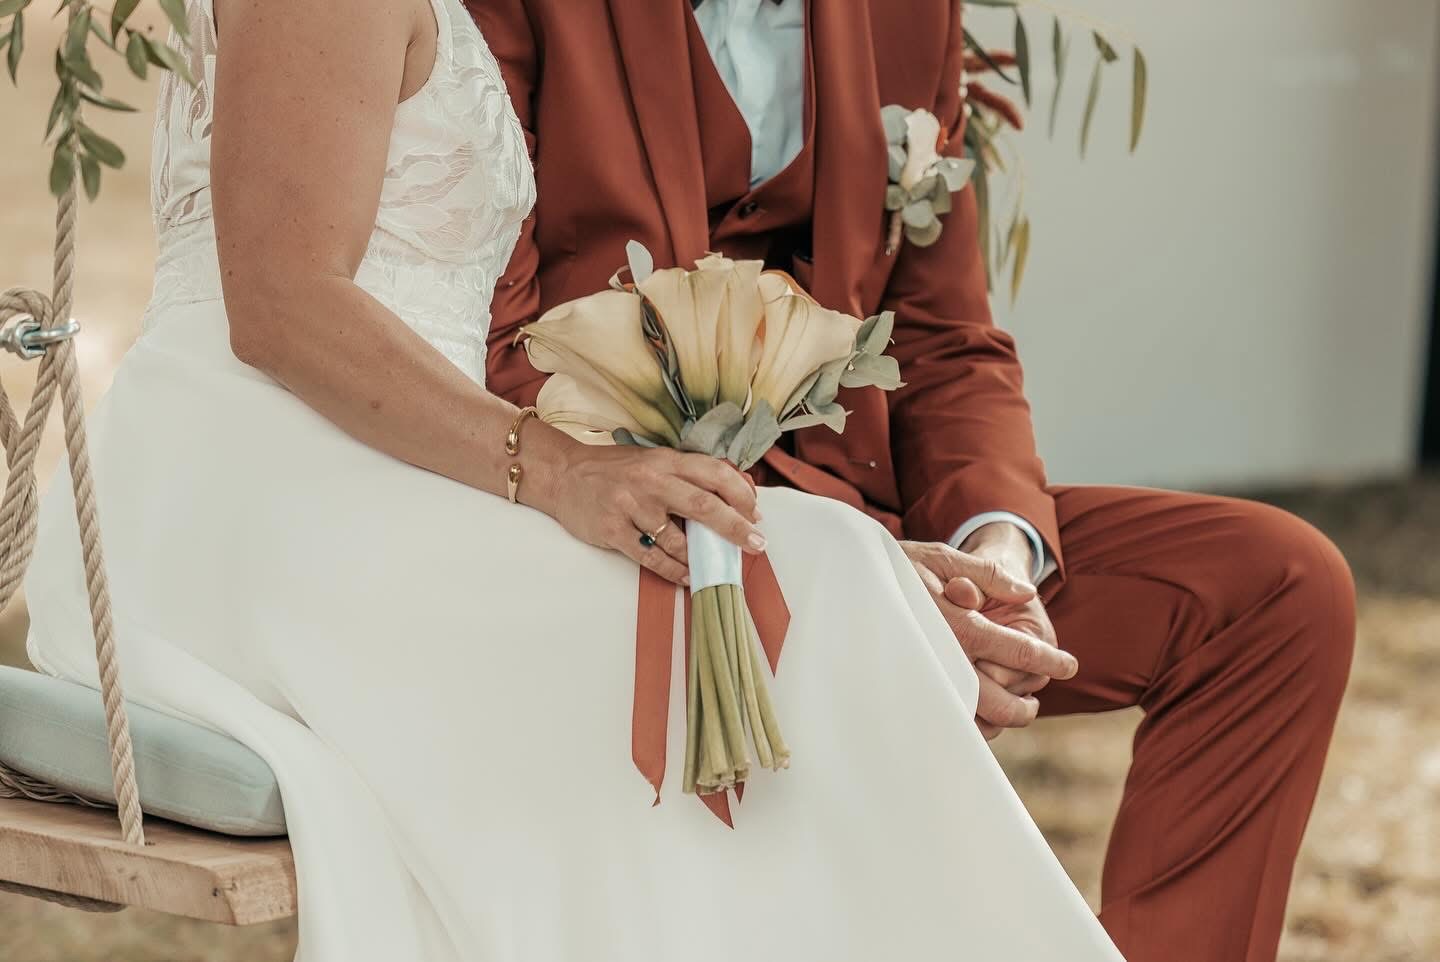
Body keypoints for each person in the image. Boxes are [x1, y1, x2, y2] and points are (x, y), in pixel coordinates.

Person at [22, 0, 1125, 959]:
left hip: (402, 473)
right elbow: (279, 304)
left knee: (832, 577)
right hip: (257, 494)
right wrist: (555, 471)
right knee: (817, 585)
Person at [471, 1, 1358, 960]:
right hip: (632, 550)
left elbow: (943, 338)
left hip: (884, 527)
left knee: (1275, 590)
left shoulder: (909, 11)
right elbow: (498, 348)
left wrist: (995, 558)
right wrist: (854, 581)